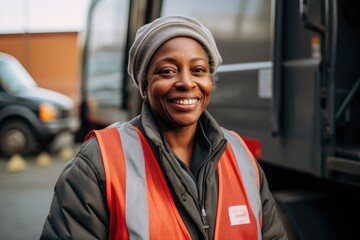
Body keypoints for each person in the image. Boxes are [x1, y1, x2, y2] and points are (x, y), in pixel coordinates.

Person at [40, 15, 288, 239]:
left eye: (198, 70)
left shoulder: (240, 155)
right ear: (144, 87)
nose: (186, 82)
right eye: (167, 71)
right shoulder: (98, 164)